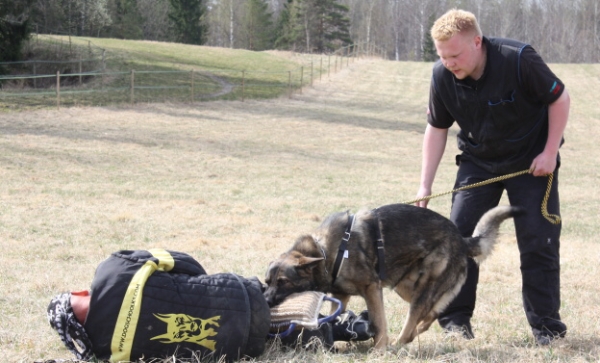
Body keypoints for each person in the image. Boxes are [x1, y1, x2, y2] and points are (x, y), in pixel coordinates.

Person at [415, 9, 569, 346]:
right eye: (443, 56)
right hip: (478, 162)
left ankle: (547, 328)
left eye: (455, 55)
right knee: (458, 240)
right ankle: (456, 324)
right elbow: (436, 128)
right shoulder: (441, 76)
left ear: (477, 42)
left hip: (530, 164)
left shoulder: (518, 60)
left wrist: (550, 150)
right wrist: (425, 183)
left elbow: (559, 98)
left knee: (538, 240)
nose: (449, 63)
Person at [47, 249, 270, 362]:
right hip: (246, 294)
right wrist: (197, 288)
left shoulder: (107, 354)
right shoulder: (113, 268)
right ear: (78, 293)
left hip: (245, 348)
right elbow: (184, 261)